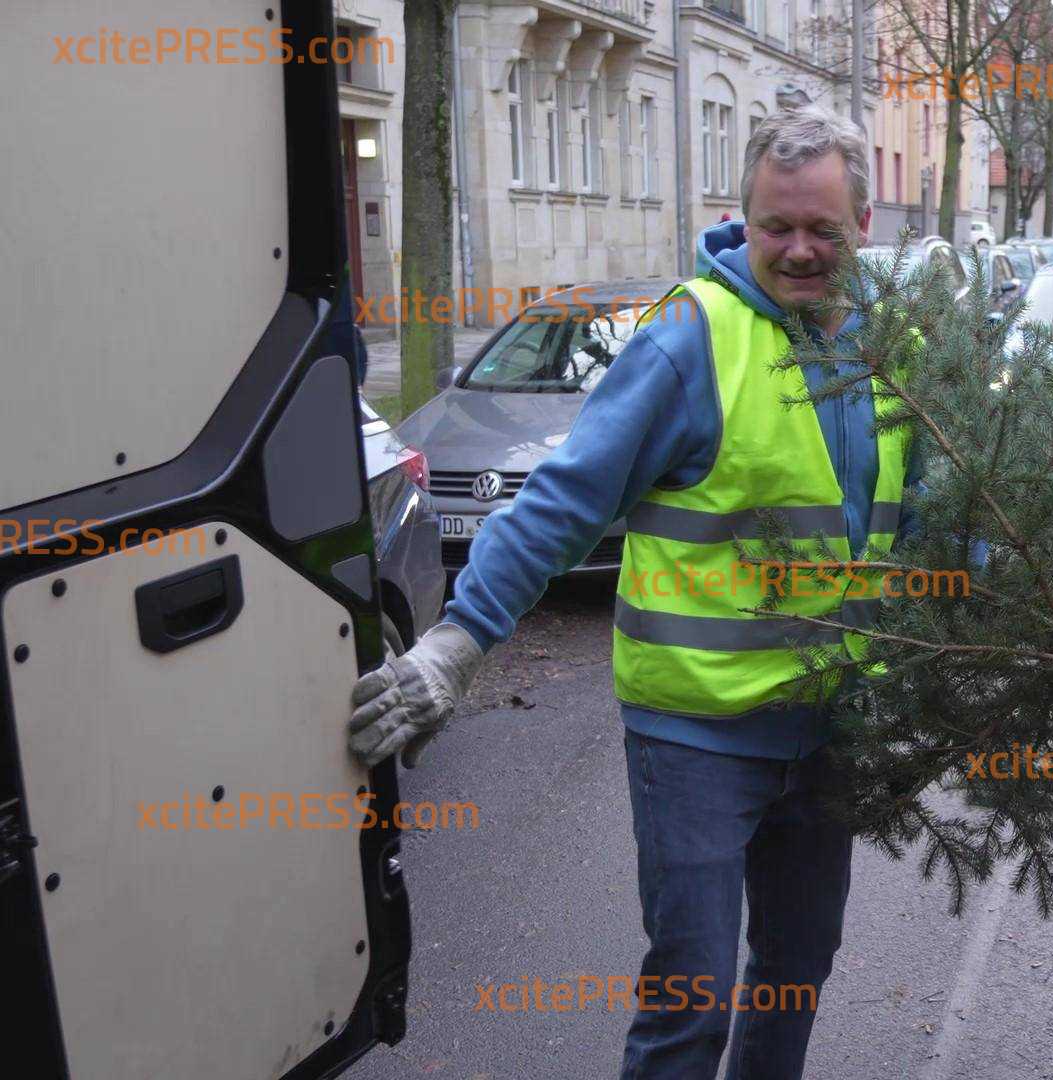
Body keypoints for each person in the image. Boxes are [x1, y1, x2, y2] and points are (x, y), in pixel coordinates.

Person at [346, 107, 913, 1079]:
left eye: (824, 228)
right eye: (777, 226)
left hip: (831, 728)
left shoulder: (887, 349)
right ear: (744, 216)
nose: (800, 249)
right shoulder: (691, 337)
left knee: (796, 969)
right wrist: (458, 642)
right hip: (696, 736)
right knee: (690, 1003)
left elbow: (934, 521)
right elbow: (564, 500)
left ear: (864, 224)